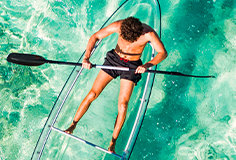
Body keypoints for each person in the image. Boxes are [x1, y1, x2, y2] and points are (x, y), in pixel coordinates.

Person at [65, 16, 167, 152]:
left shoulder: (148, 33)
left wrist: (148, 65)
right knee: (93, 93)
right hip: (114, 60)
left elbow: (163, 53)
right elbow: (95, 36)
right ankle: (73, 125)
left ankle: (113, 142)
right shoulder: (118, 26)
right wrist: (86, 57)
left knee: (123, 105)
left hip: (132, 66)